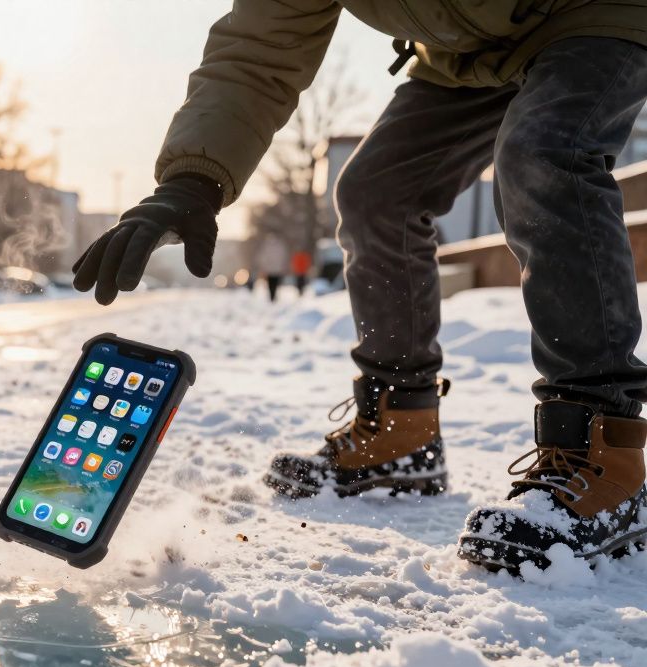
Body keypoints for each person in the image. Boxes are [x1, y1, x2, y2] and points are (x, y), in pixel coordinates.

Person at [71, 2, 647, 572]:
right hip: (465, 51)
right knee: (376, 194)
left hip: (594, 12)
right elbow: (258, 51)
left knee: (542, 153)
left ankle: (607, 453)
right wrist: (190, 182)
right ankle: (402, 429)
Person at [252, 235, 289, 303]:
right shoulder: (279, 246)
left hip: (270, 270)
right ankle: (273, 296)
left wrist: (263, 266)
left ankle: (272, 296)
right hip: (276, 269)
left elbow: (262, 258)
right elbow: (283, 257)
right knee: (275, 283)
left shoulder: (266, 246)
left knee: (271, 284)